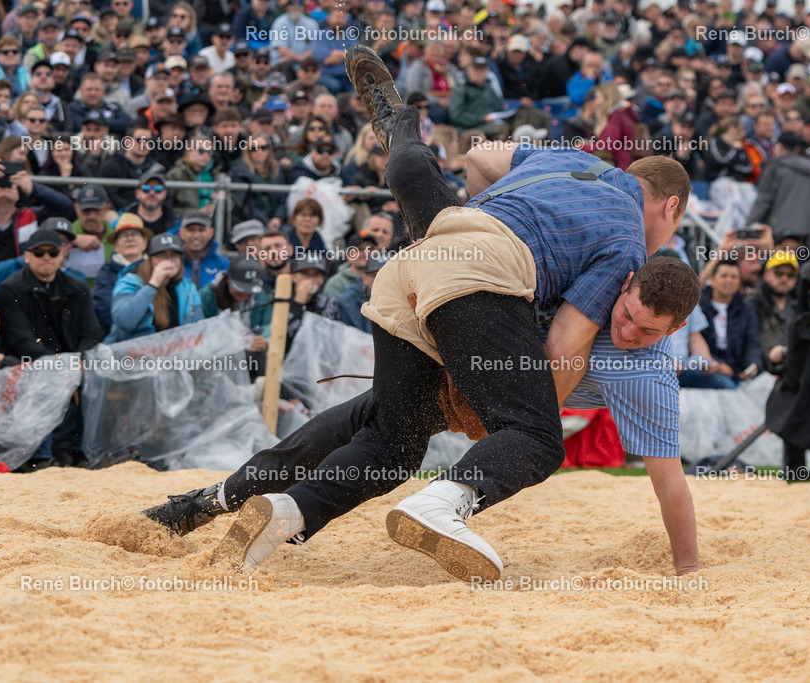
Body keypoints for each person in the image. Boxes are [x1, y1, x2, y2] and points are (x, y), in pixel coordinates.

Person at [159, 46, 698, 582]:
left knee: (388, 440)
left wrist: (476, 223)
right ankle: (442, 503)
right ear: (670, 206)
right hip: (482, 280)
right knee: (537, 437)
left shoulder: (568, 160)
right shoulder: (628, 247)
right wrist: (504, 423)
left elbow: (479, 158)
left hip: (415, 264)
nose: (630, 329)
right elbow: (560, 350)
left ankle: (269, 510)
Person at [0, 229, 102, 468]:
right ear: (27, 256)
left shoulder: (77, 287)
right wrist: (60, 368)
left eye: (52, 252)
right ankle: (40, 457)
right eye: (39, 252)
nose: (46, 257)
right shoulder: (9, 289)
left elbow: (92, 333)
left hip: (71, 360)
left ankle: (79, 451)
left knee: (95, 375)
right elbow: (19, 338)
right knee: (42, 377)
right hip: (27, 360)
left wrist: (76, 363)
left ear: (61, 255)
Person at [105, 233, 204, 343]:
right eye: (162, 256)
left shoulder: (187, 287)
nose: (169, 261)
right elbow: (124, 321)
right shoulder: (129, 282)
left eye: (174, 256)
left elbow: (198, 326)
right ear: (150, 259)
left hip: (176, 350)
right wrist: (153, 284)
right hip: (135, 350)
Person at [746, 131, 810, 243]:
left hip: (784, 233)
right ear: (796, 149)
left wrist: (748, 226)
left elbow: (763, 201)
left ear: (779, 147)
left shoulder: (775, 167)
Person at [698, 259, 762, 386]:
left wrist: (753, 365)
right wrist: (716, 364)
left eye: (734, 277)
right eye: (724, 276)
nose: (729, 280)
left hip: (737, 370)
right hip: (707, 369)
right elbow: (694, 342)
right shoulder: (699, 306)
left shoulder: (746, 308)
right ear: (712, 280)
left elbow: (753, 341)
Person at [199, 255, 271, 352]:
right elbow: (197, 328)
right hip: (213, 351)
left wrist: (264, 342)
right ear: (228, 279)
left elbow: (268, 328)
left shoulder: (260, 298)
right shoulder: (208, 296)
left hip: (249, 354)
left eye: (248, 290)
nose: (243, 294)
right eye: (238, 289)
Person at [92, 213, 149, 331]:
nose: (130, 238)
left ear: (145, 243)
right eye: (124, 235)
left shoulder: (156, 267)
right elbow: (104, 307)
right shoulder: (106, 272)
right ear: (116, 245)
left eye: (135, 234)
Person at [747, 251, 798, 368]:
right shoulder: (752, 304)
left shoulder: (800, 306)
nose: (784, 279)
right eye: (778, 273)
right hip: (759, 368)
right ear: (766, 274)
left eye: (790, 275)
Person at [178, 211, 229, 288]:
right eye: (191, 230)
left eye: (201, 230)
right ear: (181, 233)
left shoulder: (223, 264)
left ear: (211, 233)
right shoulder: (173, 263)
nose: (196, 235)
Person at [323, 229, 378, 299]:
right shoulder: (335, 284)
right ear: (349, 255)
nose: (366, 253)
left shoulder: (383, 277)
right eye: (360, 249)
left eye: (370, 249)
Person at [335, 254, 383, 333]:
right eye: (374, 275)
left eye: (385, 275)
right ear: (364, 278)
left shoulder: (402, 300)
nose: (380, 280)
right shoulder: (348, 302)